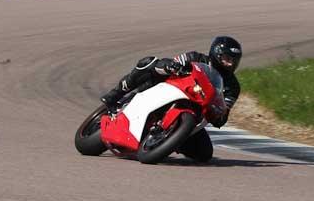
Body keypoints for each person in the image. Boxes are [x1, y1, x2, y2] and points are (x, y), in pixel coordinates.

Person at [100, 36, 243, 163]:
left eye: (234, 61)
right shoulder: (196, 57)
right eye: (227, 59)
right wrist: (171, 65)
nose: (230, 64)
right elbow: (176, 61)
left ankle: (171, 140)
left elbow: (224, 112)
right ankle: (115, 95)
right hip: (171, 89)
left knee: (205, 154)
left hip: (195, 114)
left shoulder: (233, 87)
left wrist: (219, 113)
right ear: (216, 54)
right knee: (150, 63)